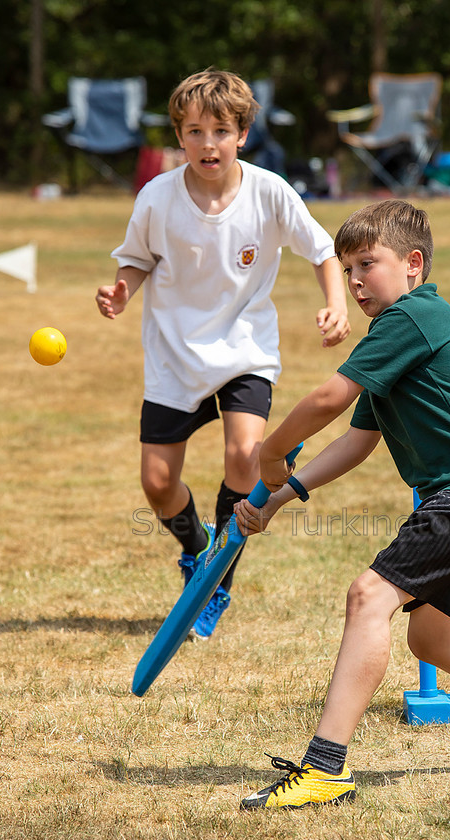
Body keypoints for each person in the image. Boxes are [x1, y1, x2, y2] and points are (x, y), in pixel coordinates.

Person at [235, 199, 450, 809]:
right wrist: (281, 498)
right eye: (346, 270)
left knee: (369, 595)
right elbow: (357, 440)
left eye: (367, 264)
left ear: (413, 264)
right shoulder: (393, 338)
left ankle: (324, 769)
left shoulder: (415, 316)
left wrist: (272, 451)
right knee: (432, 638)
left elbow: (327, 399)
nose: (354, 281)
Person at [95, 69, 350, 640]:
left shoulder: (269, 191)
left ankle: (215, 584)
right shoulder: (157, 196)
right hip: (173, 355)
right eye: (193, 131)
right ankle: (196, 549)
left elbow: (323, 249)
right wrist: (121, 289)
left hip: (244, 350)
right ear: (178, 137)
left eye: (219, 131)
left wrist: (336, 302)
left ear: (242, 134)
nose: (206, 143)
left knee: (246, 456)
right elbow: (136, 259)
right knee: (158, 484)